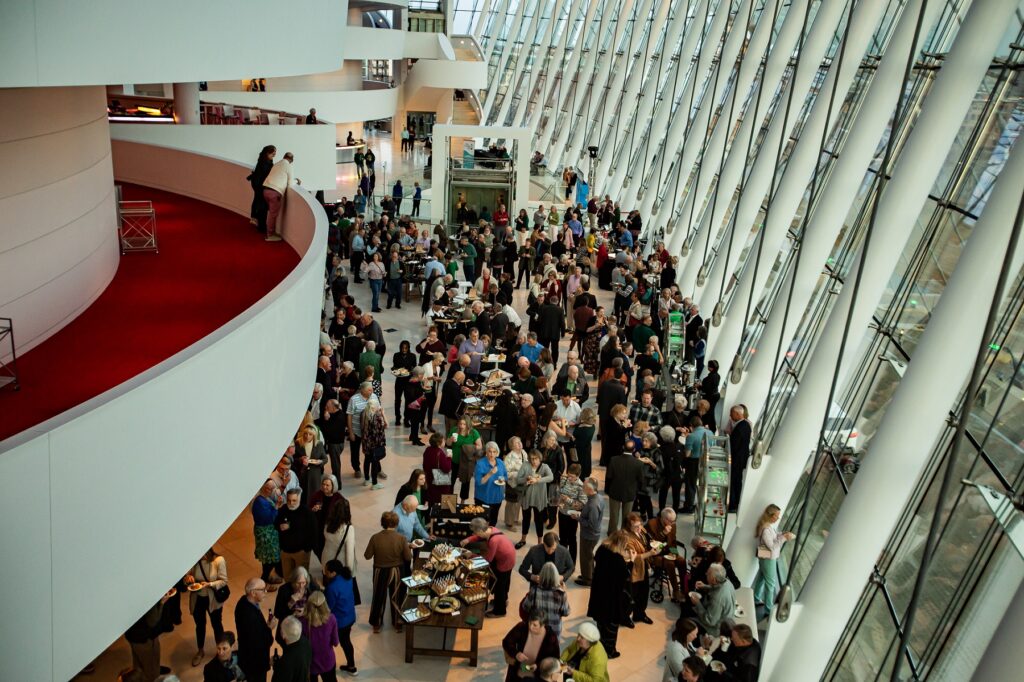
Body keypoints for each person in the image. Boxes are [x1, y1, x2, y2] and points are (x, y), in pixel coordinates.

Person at [364, 511, 413, 633]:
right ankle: (397, 622)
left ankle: (376, 624)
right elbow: (408, 558)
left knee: (378, 596)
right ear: (396, 524)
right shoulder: (402, 539)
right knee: (397, 596)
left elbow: (367, 556)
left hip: (380, 571)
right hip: (396, 570)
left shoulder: (375, 537)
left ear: (382, 523)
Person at [587, 531, 633, 659]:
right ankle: (609, 651)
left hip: (598, 592)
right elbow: (625, 576)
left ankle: (599, 644)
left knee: (600, 622)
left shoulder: (602, 550)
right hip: (611, 597)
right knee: (611, 627)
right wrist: (631, 561)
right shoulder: (618, 560)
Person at [461, 517, 517, 617]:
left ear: (480, 530)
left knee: (500, 585)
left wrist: (471, 555)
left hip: (504, 562)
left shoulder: (493, 541)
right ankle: (503, 601)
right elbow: (479, 537)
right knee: (505, 581)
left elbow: (487, 560)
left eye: (474, 532)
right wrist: (468, 540)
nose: (474, 535)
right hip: (510, 558)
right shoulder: (491, 529)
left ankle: (499, 611)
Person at [185, 548, 229, 667]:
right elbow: (186, 577)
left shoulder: (219, 560)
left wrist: (209, 584)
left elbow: (224, 581)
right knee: (199, 624)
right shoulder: (193, 560)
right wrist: (188, 579)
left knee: (216, 624)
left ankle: (221, 651)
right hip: (197, 597)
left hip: (213, 599)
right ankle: (200, 651)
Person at [752, 504, 795, 614]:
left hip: (764, 556)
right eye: (776, 516)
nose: (778, 518)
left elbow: (774, 537)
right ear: (770, 515)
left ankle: (756, 598)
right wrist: (784, 538)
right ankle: (768, 609)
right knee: (770, 584)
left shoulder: (768, 525)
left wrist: (782, 534)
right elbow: (772, 547)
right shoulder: (766, 529)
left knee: (761, 578)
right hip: (768, 558)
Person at [235, 578, 277, 682]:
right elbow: (263, 642)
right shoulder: (250, 616)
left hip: (247, 658)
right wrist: (269, 628)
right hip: (255, 664)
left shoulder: (243, 602)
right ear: (253, 593)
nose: (265, 592)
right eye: (262, 590)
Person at [501, 610, 561, 681]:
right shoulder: (522, 627)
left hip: (536, 677)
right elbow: (506, 642)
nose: (530, 627)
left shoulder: (550, 637)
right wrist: (516, 654)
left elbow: (555, 658)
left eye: (535, 625)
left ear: (543, 625)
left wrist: (538, 665)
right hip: (517, 673)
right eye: (530, 623)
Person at [322, 560, 358, 675]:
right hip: (350, 616)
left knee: (332, 643)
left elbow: (329, 607)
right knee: (346, 641)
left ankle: (328, 666)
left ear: (333, 573)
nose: (325, 573)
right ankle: (351, 665)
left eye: (327, 571)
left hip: (340, 621)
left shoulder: (332, 587)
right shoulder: (347, 578)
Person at [514, 450, 554, 549]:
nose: (533, 461)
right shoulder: (525, 465)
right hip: (527, 497)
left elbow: (551, 477)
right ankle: (523, 540)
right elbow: (518, 479)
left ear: (540, 458)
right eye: (531, 458)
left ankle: (540, 543)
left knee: (538, 520)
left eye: (536, 458)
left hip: (538, 499)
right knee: (525, 519)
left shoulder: (544, 467)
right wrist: (526, 479)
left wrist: (538, 480)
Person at [276, 488, 317, 580]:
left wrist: (307, 549)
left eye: (294, 500)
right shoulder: (283, 510)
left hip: (301, 552)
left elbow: (313, 532)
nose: (291, 503)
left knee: (301, 579)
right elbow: (276, 524)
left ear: (299, 499)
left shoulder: (307, 512)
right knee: (287, 578)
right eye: (289, 500)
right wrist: (279, 526)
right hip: (285, 551)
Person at [624, 512, 657, 625]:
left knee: (644, 592)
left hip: (644, 567)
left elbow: (647, 540)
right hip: (634, 570)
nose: (639, 528)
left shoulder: (641, 530)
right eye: (636, 526)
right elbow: (632, 557)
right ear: (629, 527)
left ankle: (639, 614)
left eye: (640, 525)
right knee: (632, 594)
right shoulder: (627, 539)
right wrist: (650, 554)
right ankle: (626, 616)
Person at [521, 562, 570, 636]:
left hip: (537, 630)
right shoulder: (561, 594)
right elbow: (566, 612)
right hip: (554, 632)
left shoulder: (534, 591)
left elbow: (525, 607)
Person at [647, 507, 685, 602]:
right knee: (670, 563)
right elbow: (652, 544)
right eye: (671, 521)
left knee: (681, 561)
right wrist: (663, 533)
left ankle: (684, 588)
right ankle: (676, 591)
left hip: (669, 551)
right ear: (664, 519)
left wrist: (674, 553)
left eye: (673, 521)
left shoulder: (673, 525)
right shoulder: (652, 524)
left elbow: (673, 541)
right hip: (655, 554)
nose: (672, 524)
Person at [605, 443, 643, 533]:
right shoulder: (638, 463)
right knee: (627, 516)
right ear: (634, 450)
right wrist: (636, 491)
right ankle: (624, 533)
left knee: (614, 515)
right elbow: (641, 480)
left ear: (623, 447)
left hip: (615, 491)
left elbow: (609, 477)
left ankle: (612, 533)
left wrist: (607, 490)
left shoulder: (614, 460)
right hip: (630, 493)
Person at [252, 479, 283, 587]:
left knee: (268, 558)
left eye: (272, 488)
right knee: (270, 558)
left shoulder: (264, 498)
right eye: (270, 488)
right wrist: (277, 506)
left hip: (267, 532)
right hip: (266, 534)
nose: (272, 490)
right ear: (265, 488)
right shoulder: (260, 502)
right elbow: (270, 518)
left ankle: (266, 578)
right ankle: (264, 580)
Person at [690, 563, 736, 635]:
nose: (706, 574)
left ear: (714, 580)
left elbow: (710, 621)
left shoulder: (717, 598)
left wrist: (697, 603)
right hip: (726, 617)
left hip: (717, 628)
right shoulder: (727, 581)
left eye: (708, 574)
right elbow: (717, 587)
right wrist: (705, 586)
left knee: (687, 618)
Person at [555, 463, 586, 565]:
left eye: (572, 477)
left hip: (572, 516)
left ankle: (572, 562)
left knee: (572, 539)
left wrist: (568, 500)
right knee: (562, 538)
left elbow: (581, 505)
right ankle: (562, 559)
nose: (570, 478)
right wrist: (559, 500)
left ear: (578, 476)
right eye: (569, 475)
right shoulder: (564, 480)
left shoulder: (581, 486)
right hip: (562, 512)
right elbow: (560, 492)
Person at [262, 152, 297, 241]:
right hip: (275, 192)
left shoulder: (277, 164)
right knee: (272, 215)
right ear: (291, 159)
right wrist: (297, 181)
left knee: (270, 213)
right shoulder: (288, 166)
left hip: (266, 189)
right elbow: (290, 183)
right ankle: (270, 235)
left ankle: (270, 231)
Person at [448, 416, 482, 502]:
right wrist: (450, 440)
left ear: (468, 424)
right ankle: (449, 502)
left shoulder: (473, 432)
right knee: (450, 482)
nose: (462, 426)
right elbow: (447, 443)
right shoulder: (454, 430)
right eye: (460, 424)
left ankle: (463, 501)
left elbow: (480, 446)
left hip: (466, 462)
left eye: (464, 424)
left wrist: (468, 447)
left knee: (465, 483)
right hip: (454, 460)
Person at [475, 441, 508, 526]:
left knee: (493, 521)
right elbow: (479, 482)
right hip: (483, 497)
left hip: (497, 497)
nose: (492, 454)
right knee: (481, 522)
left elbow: (505, 476)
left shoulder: (500, 462)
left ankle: (491, 537)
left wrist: (502, 479)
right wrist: (490, 473)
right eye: (490, 451)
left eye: (494, 452)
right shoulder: (480, 463)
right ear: (486, 452)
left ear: (497, 453)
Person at [321, 495, 356, 573]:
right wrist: (349, 572)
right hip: (339, 565)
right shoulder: (349, 529)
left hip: (326, 561)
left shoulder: (327, 524)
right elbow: (349, 554)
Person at [271, 616, 311, 682]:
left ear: (283, 635)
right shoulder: (306, 642)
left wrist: (276, 665)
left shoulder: (285, 662)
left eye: (281, 628)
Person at [360, 397, 388, 489]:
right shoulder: (377, 417)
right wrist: (383, 414)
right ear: (374, 407)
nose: (379, 408)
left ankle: (367, 479)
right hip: (376, 443)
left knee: (367, 460)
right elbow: (386, 425)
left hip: (366, 442)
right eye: (378, 406)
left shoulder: (364, 413)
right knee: (375, 462)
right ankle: (375, 484)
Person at [728, 405, 752, 512]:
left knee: (734, 481)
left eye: (732, 413)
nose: (730, 415)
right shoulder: (745, 424)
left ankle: (733, 504)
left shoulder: (741, 426)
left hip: (737, 460)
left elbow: (735, 445)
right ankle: (734, 503)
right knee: (737, 481)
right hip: (740, 459)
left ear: (738, 414)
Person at [247, 145, 275, 232]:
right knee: (262, 204)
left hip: (258, 184)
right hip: (260, 185)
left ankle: (255, 219)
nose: (274, 154)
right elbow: (266, 174)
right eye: (273, 152)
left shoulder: (264, 161)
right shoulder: (265, 162)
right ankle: (260, 225)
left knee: (258, 201)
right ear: (267, 153)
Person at [422, 431, 454, 503]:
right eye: (443, 440)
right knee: (440, 501)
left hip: (429, 478)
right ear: (439, 443)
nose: (444, 441)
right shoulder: (440, 453)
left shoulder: (427, 450)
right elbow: (446, 469)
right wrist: (449, 458)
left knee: (431, 498)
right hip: (439, 483)